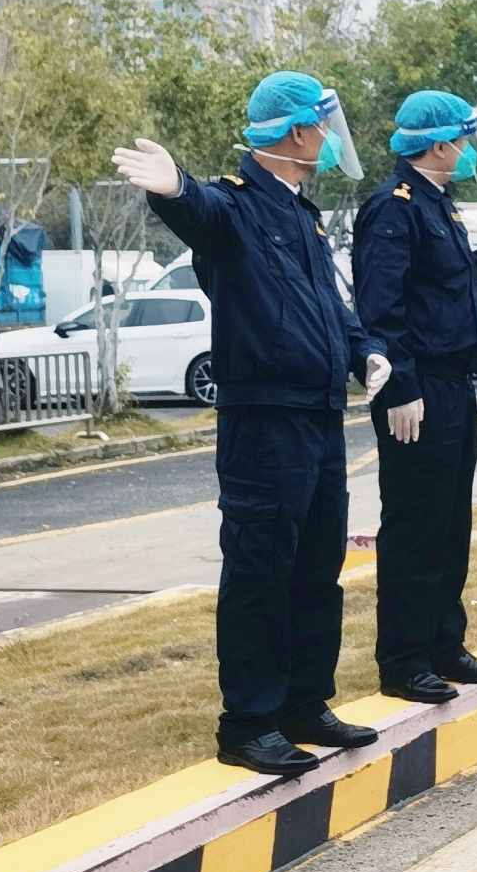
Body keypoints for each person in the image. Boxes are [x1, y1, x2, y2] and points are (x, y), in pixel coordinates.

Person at [113, 72, 392, 776]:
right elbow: (199, 212)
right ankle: (247, 721)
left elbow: (329, 304)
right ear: (297, 132)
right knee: (261, 569)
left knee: (315, 567)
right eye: (323, 127)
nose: (329, 140)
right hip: (263, 423)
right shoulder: (235, 207)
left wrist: (365, 351)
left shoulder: (302, 213)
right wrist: (172, 185)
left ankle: (303, 702)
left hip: (318, 417)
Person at [351, 91, 477, 704]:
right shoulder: (393, 209)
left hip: (454, 383)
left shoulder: (438, 205)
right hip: (417, 387)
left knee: (451, 522)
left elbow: (443, 283)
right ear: (436, 145)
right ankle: (404, 660)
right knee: (414, 525)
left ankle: (442, 644)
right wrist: (398, 385)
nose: (464, 151)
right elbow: (382, 307)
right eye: (460, 140)